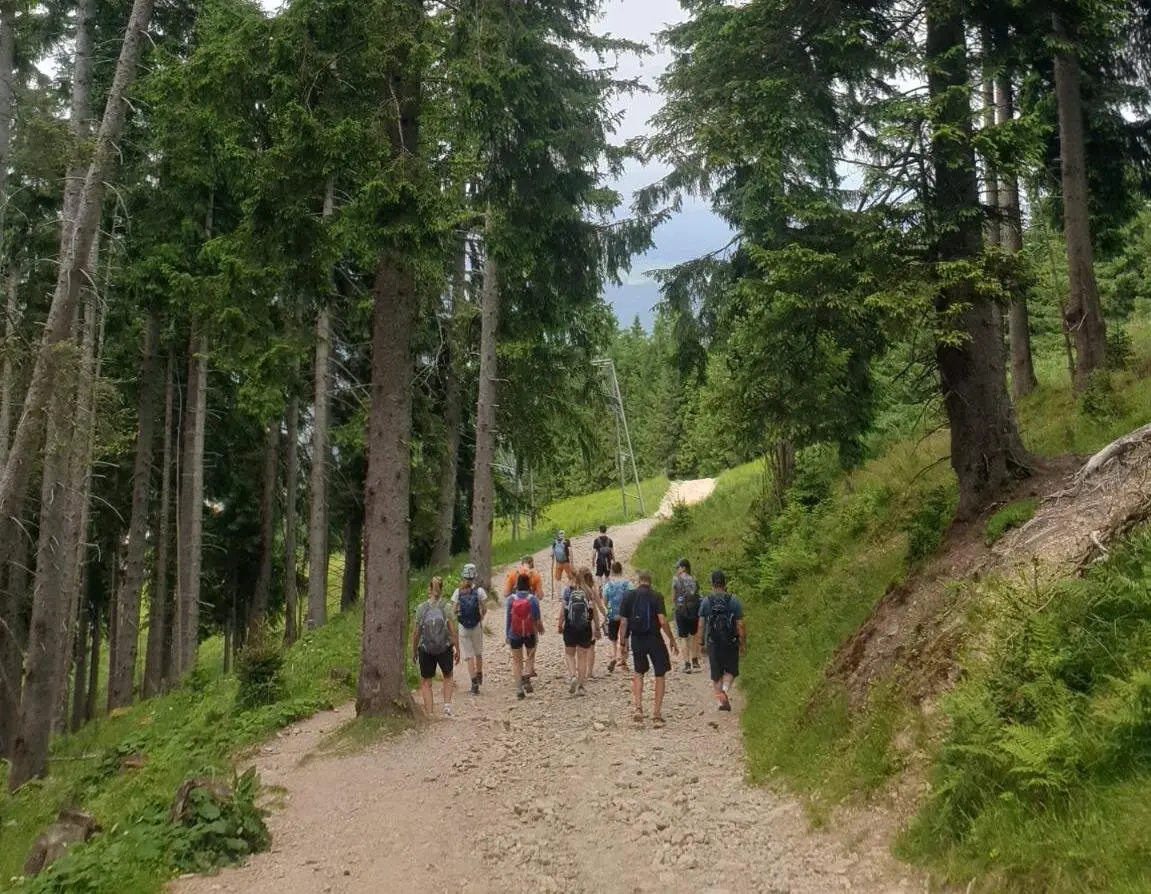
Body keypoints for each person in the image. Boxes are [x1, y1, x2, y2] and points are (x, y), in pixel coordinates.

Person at [616, 570, 678, 726]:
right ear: (650, 582)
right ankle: (656, 714)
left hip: (637, 639)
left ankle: (638, 708)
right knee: (660, 673)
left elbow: (623, 623)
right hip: (654, 639)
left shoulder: (628, 596)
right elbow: (662, 621)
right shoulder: (656, 596)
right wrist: (671, 639)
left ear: (639, 581)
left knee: (638, 672)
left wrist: (622, 643)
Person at [410, 576, 459, 717]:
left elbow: (416, 633)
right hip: (444, 648)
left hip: (426, 649)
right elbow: (453, 630)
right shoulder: (447, 607)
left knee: (426, 681)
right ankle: (447, 707)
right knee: (448, 675)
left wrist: (414, 651)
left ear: (429, 589)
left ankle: (430, 713)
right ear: (442, 589)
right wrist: (457, 649)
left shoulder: (421, 608)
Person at [697, 570, 746, 712]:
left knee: (716, 674)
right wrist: (742, 642)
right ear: (725, 583)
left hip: (713, 642)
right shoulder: (734, 600)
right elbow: (740, 624)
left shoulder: (707, 601)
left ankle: (720, 702)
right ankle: (725, 690)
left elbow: (701, 624)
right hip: (731, 641)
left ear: (712, 584)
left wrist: (701, 643)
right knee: (731, 671)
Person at [558, 567, 597, 695]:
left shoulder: (568, 591)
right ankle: (581, 686)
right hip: (585, 628)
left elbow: (563, 611)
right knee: (582, 656)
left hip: (570, 627)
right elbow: (594, 612)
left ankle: (572, 676)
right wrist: (596, 626)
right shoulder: (589, 591)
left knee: (569, 654)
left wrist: (559, 624)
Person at [506, 573, 545, 699]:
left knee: (517, 662)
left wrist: (507, 634)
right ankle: (527, 675)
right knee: (531, 655)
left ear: (516, 585)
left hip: (514, 633)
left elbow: (508, 618)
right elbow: (536, 618)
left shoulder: (511, 599)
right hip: (529, 632)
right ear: (529, 585)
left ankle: (519, 689)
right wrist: (541, 629)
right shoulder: (532, 599)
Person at [451, 563, 488, 695]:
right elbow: (484, 608)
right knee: (478, 652)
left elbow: (453, 611)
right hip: (476, 625)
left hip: (463, 627)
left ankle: (473, 683)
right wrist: (481, 617)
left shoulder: (457, 592)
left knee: (468, 656)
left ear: (463, 576)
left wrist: (459, 616)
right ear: (474, 577)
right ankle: (479, 674)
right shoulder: (479, 591)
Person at [671, 558, 702, 674]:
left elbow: (673, 597)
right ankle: (695, 661)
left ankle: (687, 664)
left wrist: (674, 607)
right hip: (694, 610)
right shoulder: (694, 579)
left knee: (683, 638)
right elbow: (697, 594)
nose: (676, 570)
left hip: (681, 610)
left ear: (683, 568)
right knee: (694, 635)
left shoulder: (675, 580)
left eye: (678, 568)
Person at [600, 562, 630, 673]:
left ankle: (613, 657)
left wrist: (609, 609)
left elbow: (605, 599)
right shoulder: (627, 584)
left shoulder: (608, 585)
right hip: (624, 616)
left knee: (613, 639)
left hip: (612, 614)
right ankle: (623, 660)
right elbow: (630, 598)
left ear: (611, 571)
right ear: (621, 570)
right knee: (625, 638)